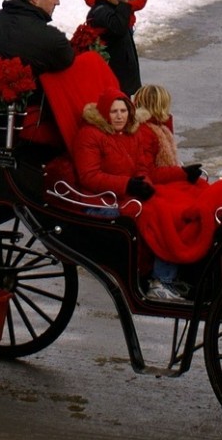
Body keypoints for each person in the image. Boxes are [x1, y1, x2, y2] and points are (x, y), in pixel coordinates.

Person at [70, 93, 192, 302]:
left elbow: (141, 168)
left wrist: (143, 184)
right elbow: (89, 176)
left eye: (123, 111)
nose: (119, 116)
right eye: (114, 111)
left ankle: (170, 276)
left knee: (171, 209)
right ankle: (161, 280)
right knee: (158, 216)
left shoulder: (131, 134)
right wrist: (128, 185)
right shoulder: (89, 135)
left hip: (128, 195)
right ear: (104, 113)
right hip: (101, 200)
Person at [86, 0, 142, 94]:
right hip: (114, 78)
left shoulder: (112, 8)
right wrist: (123, 2)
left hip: (123, 77)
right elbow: (118, 28)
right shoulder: (99, 11)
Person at [132, 84, 180, 168]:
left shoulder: (159, 125)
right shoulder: (146, 131)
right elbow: (148, 170)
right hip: (156, 178)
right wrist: (182, 173)